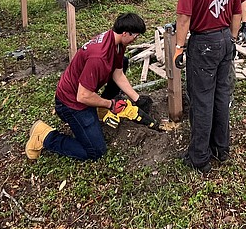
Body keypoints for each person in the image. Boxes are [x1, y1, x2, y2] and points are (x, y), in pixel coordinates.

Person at [25, 13, 151, 161]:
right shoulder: (99, 57)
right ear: (125, 33)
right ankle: (44, 136)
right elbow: (82, 96)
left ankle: (99, 107)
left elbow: (118, 75)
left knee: (122, 62)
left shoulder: (117, 43)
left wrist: (137, 98)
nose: (135, 39)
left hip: (84, 93)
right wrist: (110, 104)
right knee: (96, 151)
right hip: (71, 103)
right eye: (135, 36)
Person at [174, 0, 245, 174]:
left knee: (202, 99)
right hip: (225, 38)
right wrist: (232, 39)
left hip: (204, 42)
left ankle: (200, 158)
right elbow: (238, 14)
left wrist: (179, 47)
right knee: (221, 95)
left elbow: (184, 17)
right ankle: (221, 148)